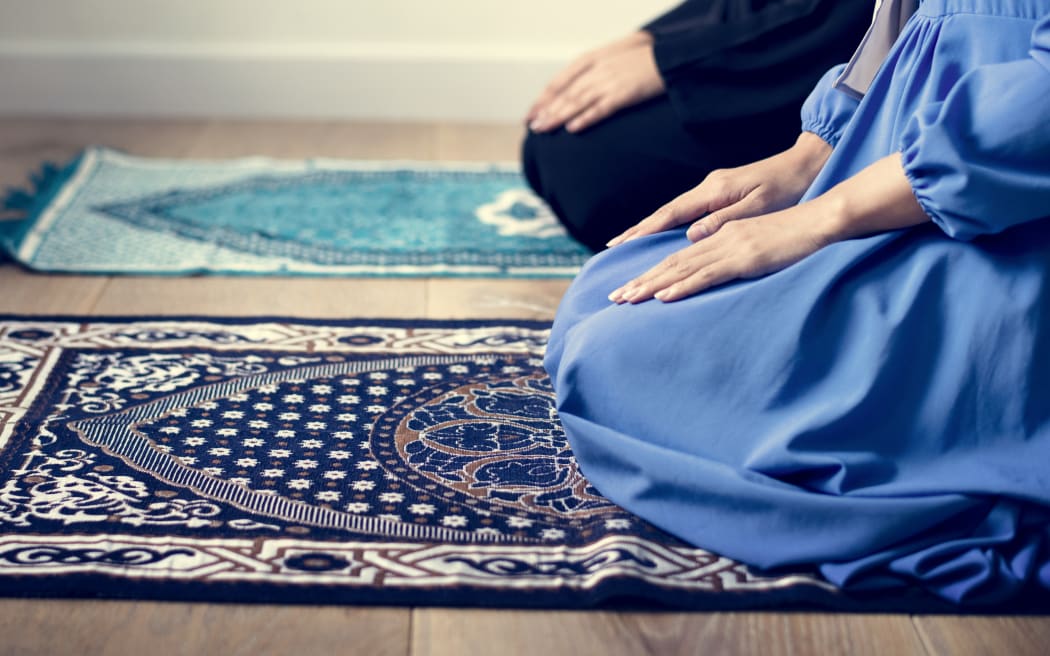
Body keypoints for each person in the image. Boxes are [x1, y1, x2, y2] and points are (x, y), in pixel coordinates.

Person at [544, 0, 1050, 604]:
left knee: (614, 356)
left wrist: (822, 218)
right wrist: (812, 156)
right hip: (894, 158)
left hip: (1002, 204)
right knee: (604, 297)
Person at [521, 0, 873, 252]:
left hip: (823, 60)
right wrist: (657, 37)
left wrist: (673, 61)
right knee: (561, 139)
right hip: (774, 24)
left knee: (591, 165)